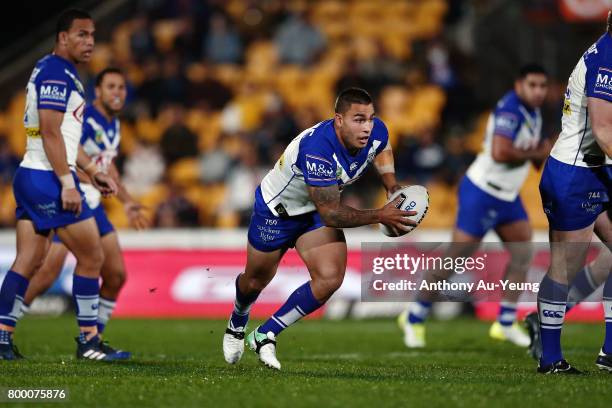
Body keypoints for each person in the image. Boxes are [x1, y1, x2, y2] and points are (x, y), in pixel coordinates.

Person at [222, 88, 415, 370]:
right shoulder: (318, 151)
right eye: (358, 120)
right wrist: (380, 215)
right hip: (278, 212)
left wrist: (391, 185)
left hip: (314, 211)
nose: (367, 127)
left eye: (370, 119)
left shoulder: (375, 132)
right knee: (255, 281)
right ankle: (237, 321)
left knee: (330, 277)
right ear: (339, 120)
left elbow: (382, 147)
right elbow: (333, 214)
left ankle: (266, 334)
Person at [398, 64, 551, 348]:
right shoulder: (511, 109)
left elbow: (526, 154)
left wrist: (539, 154)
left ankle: (505, 322)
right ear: (519, 86)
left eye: (542, 86)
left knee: (522, 254)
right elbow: (500, 152)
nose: (538, 91)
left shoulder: (533, 111)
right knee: (455, 258)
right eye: (533, 85)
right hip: (481, 193)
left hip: (507, 195)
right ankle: (415, 314)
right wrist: (538, 150)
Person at [0, 9, 119, 361]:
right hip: (47, 177)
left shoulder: (58, 70)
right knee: (92, 255)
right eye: (82, 34)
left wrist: (89, 168)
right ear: (62, 37)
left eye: (93, 35)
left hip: (32, 172)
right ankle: (89, 342)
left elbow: (64, 134)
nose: (90, 42)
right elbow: (50, 132)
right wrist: (69, 182)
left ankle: (2, 336)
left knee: (28, 260)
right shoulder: (56, 71)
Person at [18, 68, 148, 359]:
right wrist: (84, 182)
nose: (118, 92)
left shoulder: (113, 125)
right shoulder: (86, 119)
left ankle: (93, 339)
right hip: (74, 200)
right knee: (44, 272)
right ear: (98, 91)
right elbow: (67, 154)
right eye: (111, 86)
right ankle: (7, 326)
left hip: (93, 205)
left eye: (122, 87)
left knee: (115, 275)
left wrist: (127, 201)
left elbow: (107, 165)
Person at [533, 14, 612, 374]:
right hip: (576, 173)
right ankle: (550, 358)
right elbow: (603, 128)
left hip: (597, 169)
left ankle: (610, 352)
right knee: (565, 266)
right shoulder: (607, 58)